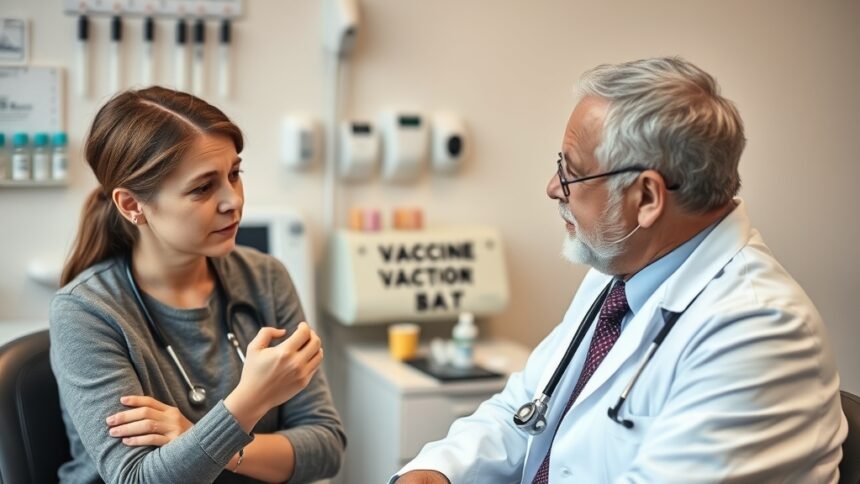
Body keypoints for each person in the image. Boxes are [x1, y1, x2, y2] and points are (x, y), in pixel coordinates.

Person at [393, 57, 847, 483]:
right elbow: (525, 408)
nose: (554, 188)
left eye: (571, 172)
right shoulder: (621, 275)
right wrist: (438, 471)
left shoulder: (759, 332)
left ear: (647, 198)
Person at [51, 86, 346, 483]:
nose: (233, 201)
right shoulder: (86, 311)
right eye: (203, 188)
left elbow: (326, 448)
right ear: (132, 205)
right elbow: (138, 479)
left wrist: (199, 438)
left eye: (234, 174)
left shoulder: (266, 279)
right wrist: (248, 402)